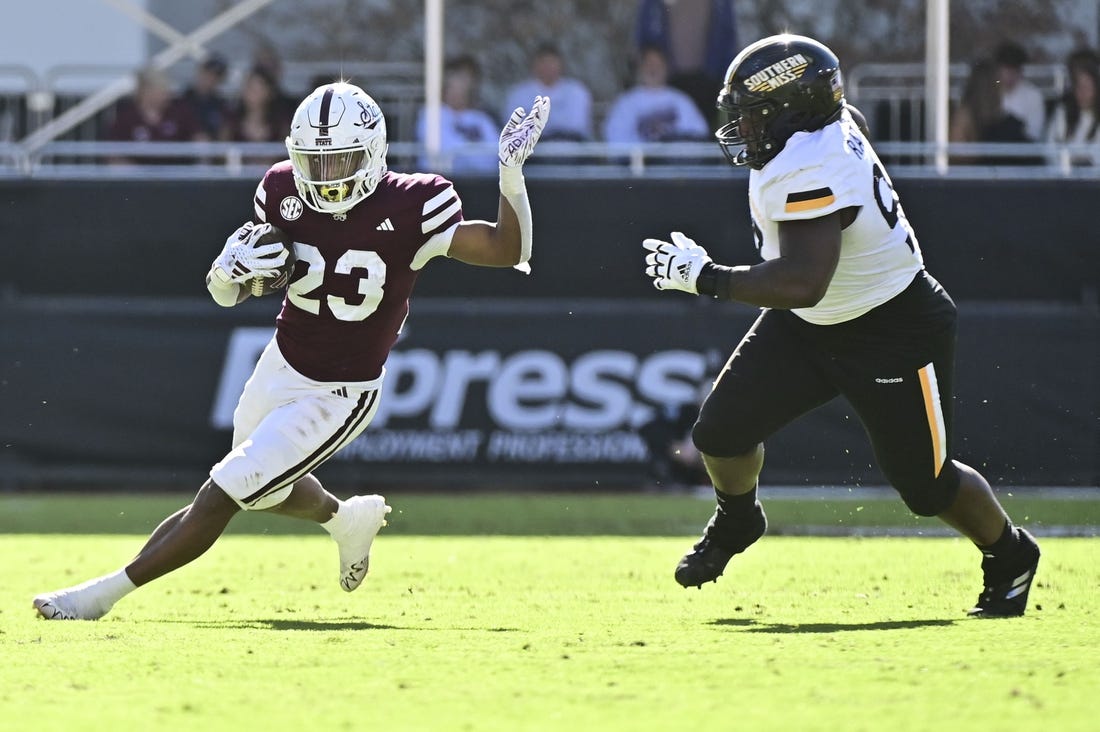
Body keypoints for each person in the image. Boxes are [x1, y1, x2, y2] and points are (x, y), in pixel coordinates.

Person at [32, 83, 551, 621]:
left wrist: (510, 176)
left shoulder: (413, 201)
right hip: (280, 364)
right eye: (314, 163)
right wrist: (225, 272)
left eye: (341, 161)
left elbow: (506, 249)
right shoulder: (280, 189)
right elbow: (226, 293)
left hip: (340, 391)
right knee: (259, 490)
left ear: (373, 153)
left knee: (224, 490)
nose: (327, 179)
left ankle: (98, 598)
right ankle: (344, 520)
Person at [641, 34, 1039, 618]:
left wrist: (706, 277)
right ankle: (737, 517)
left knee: (925, 486)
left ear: (792, 112)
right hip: (812, 322)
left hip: (890, 326)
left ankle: (1010, 554)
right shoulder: (824, 128)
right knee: (719, 434)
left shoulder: (811, 164)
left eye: (754, 116)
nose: (742, 130)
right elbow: (809, 289)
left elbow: (804, 280)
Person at [635, 0, 739, 126]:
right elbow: (647, 33)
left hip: (708, 79)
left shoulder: (720, 3)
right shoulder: (654, 4)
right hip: (671, 80)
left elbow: (727, 35)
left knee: (705, 131)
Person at [603, 45, 710, 144]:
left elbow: (699, 136)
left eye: (658, 64)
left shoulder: (681, 100)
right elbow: (615, 141)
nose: (653, 69)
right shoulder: (626, 102)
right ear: (640, 68)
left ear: (667, 69)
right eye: (648, 64)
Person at [417, 55, 501, 173]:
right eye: (453, 86)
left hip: (480, 183)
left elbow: (495, 154)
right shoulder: (431, 115)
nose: (458, 92)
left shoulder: (482, 119)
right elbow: (445, 149)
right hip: (439, 183)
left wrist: (467, 154)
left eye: (462, 86)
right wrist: (476, 152)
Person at [105, 66, 205, 164]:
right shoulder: (126, 116)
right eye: (161, 90)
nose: (167, 95)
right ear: (146, 91)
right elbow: (113, 153)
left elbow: (200, 139)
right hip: (138, 177)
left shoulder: (180, 111)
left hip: (176, 175)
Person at [501, 42, 593, 142]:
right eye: (543, 62)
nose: (548, 67)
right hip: (533, 151)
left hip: (571, 149)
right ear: (534, 65)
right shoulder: (518, 95)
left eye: (552, 62)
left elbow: (577, 126)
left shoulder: (576, 92)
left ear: (561, 64)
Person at [1045, 48, 1100, 166]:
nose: (1082, 93)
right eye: (1078, 86)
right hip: (1063, 180)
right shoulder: (1062, 113)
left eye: (1088, 87)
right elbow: (1050, 151)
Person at [993, 40, 1046, 143]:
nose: (1011, 75)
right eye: (1007, 70)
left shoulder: (1033, 96)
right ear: (998, 69)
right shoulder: (990, 92)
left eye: (1015, 70)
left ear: (1021, 71)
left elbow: (1034, 134)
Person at [181, 54, 230, 140]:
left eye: (216, 75)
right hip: (185, 151)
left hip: (213, 150)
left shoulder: (222, 105)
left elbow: (225, 134)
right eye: (208, 72)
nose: (211, 78)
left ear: (221, 80)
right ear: (200, 71)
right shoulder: (182, 99)